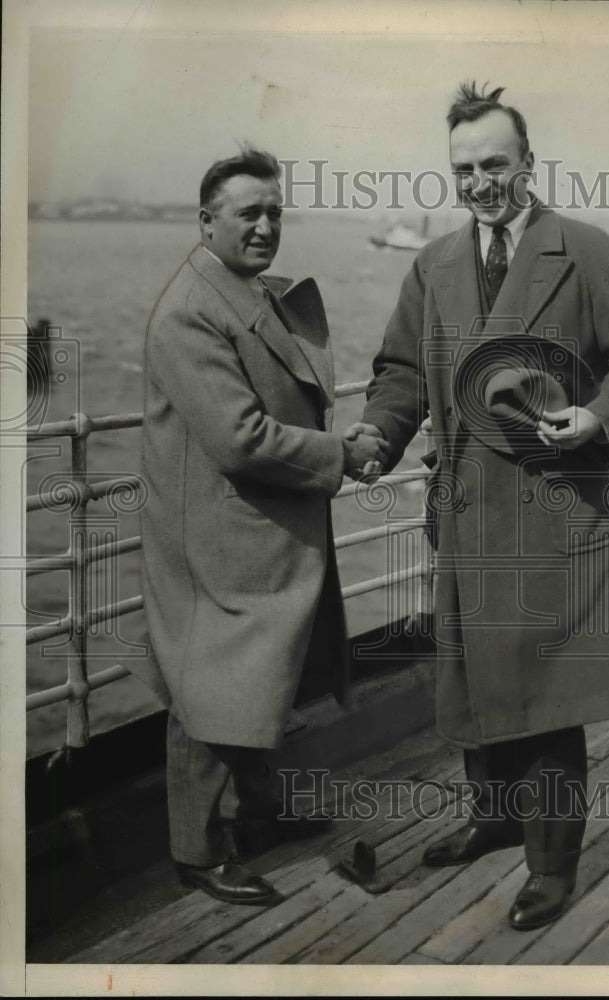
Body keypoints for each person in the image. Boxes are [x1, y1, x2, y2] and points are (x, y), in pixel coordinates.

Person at [347, 83, 609, 930]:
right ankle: (493, 818)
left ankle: (551, 865)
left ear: (528, 162)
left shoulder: (586, 252)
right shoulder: (436, 263)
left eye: (495, 163)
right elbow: (402, 374)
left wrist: (597, 417)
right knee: (471, 671)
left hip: (559, 506)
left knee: (546, 692)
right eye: (464, 168)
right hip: (465, 511)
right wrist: (378, 437)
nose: (481, 182)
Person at [136, 148, 387, 905]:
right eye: (249, 212)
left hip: (250, 523)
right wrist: (342, 454)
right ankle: (196, 850)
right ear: (206, 221)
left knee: (253, 680)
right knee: (210, 688)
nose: (266, 225)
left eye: (275, 211)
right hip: (213, 533)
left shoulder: (233, 291)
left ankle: (259, 815)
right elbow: (239, 437)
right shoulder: (189, 311)